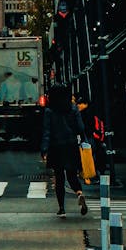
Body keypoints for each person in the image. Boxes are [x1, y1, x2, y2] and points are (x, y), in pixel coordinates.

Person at [41, 84, 88, 218]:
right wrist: (82, 139)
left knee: (59, 178)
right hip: (71, 145)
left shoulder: (50, 111)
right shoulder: (73, 109)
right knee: (72, 174)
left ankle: (62, 208)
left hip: (56, 146)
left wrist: (44, 149)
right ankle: (79, 192)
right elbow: (80, 127)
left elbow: (47, 132)